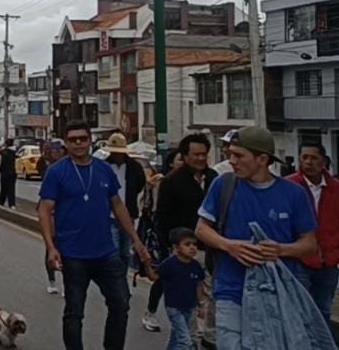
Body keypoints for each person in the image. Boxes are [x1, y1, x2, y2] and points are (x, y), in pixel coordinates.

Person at [194, 126, 318, 349]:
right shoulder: (223, 185)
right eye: (230, 154)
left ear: (262, 159)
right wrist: (229, 246)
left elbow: (310, 244)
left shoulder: (293, 194)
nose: (232, 161)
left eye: (239, 155)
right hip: (230, 291)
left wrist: (281, 250)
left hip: (276, 295)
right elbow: (202, 229)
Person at [38, 120, 150, 350]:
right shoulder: (57, 172)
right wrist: (51, 246)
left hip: (105, 252)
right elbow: (45, 210)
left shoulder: (103, 169)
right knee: (74, 312)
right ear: (67, 143)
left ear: (90, 141)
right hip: (73, 254)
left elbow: (118, 205)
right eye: (73, 139)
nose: (78, 143)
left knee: (120, 304)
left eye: (83, 138)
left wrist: (136, 240)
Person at [146, 133, 217, 339]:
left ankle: (211, 336)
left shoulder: (215, 179)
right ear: (185, 156)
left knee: (213, 293)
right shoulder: (172, 182)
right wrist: (170, 248)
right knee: (188, 297)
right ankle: (191, 336)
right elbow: (162, 219)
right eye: (195, 154)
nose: (200, 159)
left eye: (204, 154)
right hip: (184, 249)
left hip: (212, 247)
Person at [286, 143, 339, 338]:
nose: (308, 162)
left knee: (323, 309)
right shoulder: (289, 186)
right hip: (299, 260)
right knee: (300, 309)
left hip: (329, 261)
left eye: (313, 158)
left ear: (323, 161)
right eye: (304, 157)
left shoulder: (335, 189)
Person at [144, 228, 206, 350]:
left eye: (194, 244)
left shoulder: (196, 266)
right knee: (185, 340)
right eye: (187, 244)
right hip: (174, 308)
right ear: (176, 248)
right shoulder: (170, 264)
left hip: (190, 307)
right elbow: (154, 277)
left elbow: (199, 285)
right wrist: (146, 264)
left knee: (176, 335)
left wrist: (201, 305)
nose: (192, 247)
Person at [104, 133, 146, 268]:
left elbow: (140, 184)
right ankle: (114, 280)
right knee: (113, 249)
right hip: (108, 215)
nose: (117, 155)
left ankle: (123, 277)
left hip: (128, 214)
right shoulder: (103, 167)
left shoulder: (134, 167)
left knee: (125, 251)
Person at [39, 139, 68, 295]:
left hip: (66, 214)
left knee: (66, 250)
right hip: (51, 213)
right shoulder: (49, 168)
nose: (57, 152)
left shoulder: (71, 166)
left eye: (59, 149)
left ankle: (66, 282)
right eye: (54, 150)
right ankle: (52, 280)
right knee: (51, 246)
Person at [0, 142, 17, 209]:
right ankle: (12, 204)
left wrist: (0, 169)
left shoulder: (5, 152)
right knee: (11, 188)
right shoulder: (14, 152)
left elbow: (0, 153)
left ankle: (1, 202)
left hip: (5, 173)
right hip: (12, 173)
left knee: (3, 188)